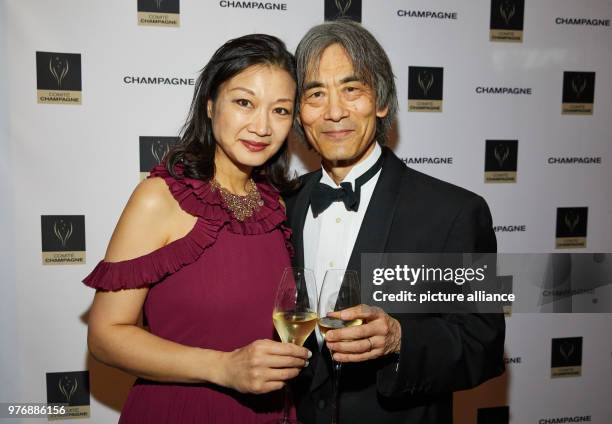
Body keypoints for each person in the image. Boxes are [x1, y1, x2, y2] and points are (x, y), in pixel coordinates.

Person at [285, 20, 506, 423]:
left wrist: (401, 339)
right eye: (316, 94)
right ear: (299, 113)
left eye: (352, 90)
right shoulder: (282, 204)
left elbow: (484, 343)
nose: (335, 111)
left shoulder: (455, 211)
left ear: (382, 101)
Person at [83, 34, 311, 423]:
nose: (261, 126)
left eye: (280, 111)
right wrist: (223, 367)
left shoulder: (276, 204)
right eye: (244, 102)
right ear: (210, 104)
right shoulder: (160, 198)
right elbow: (105, 336)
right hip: (183, 410)